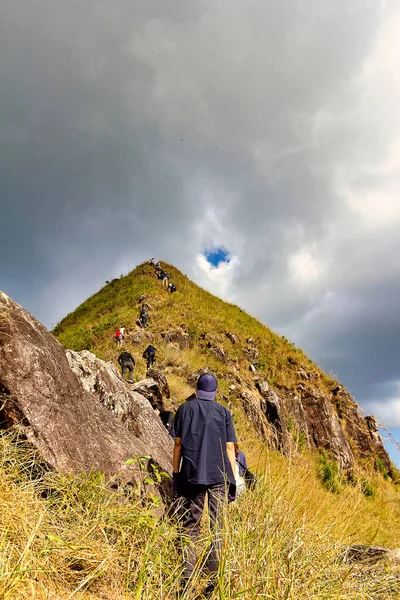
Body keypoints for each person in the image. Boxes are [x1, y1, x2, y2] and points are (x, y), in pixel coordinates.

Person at [172, 373, 237, 596]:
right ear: (215, 392)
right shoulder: (224, 412)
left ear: (197, 390)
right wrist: (233, 480)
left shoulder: (184, 409)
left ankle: (186, 584)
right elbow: (230, 448)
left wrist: (175, 473)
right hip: (219, 476)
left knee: (191, 527)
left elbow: (178, 445)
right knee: (218, 528)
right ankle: (211, 585)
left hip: (192, 474)